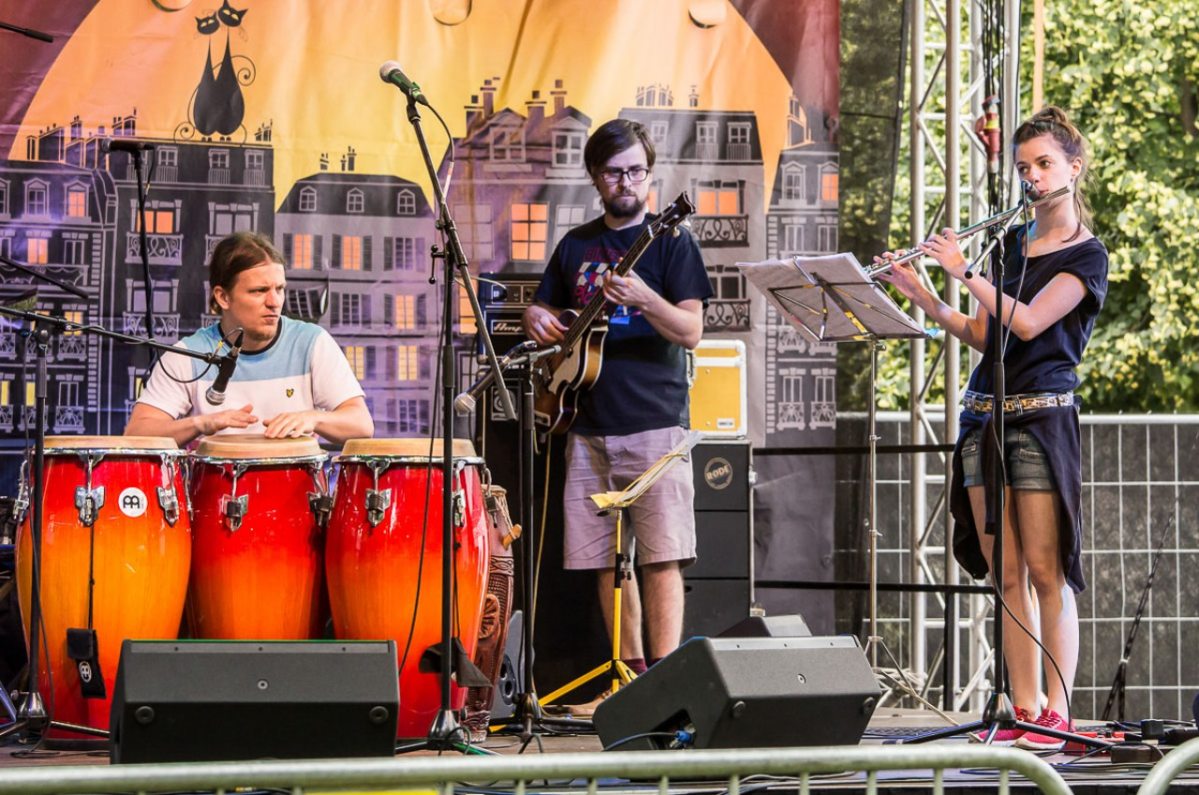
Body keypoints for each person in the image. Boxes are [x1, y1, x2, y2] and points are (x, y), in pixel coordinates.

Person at [877, 106, 1107, 750]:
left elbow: (1029, 322)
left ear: (1073, 168)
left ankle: (1058, 712)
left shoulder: (1087, 255)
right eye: (1024, 167)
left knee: (1046, 572)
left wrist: (963, 271)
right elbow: (987, 335)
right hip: (984, 415)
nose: (1032, 178)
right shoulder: (1010, 244)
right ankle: (1024, 707)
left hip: (1040, 420)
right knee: (1005, 576)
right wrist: (923, 296)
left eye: (1044, 164)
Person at [523, 118, 712, 709]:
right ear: (595, 177)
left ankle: (666, 686)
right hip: (584, 421)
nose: (626, 182)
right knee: (605, 562)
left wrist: (645, 298)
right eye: (613, 172)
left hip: (654, 420)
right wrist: (537, 317)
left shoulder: (671, 241)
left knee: (660, 556)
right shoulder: (575, 245)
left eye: (636, 171)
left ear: (649, 175)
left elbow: (691, 331)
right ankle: (624, 682)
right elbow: (542, 308)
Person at [125, 231, 374, 447]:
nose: (274, 302)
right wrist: (201, 423)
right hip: (216, 488)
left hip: (299, 487)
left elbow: (361, 425)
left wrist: (314, 418)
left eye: (279, 289)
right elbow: (136, 435)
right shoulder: (188, 354)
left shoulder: (311, 342)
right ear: (223, 297)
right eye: (259, 291)